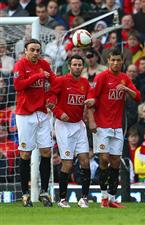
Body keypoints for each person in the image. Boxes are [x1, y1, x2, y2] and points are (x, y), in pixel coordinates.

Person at [85, 48, 141, 208]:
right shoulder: (101, 77)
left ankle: (111, 198)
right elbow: (90, 98)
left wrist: (127, 89)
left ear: (122, 62)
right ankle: (103, 197)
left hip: (117, 126)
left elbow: (137, 97)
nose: (116, 63)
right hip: (101, 125)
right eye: (113, 60)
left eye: (118, 60)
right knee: (103, 159)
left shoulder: (124, 78)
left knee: (116, 161)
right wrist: (91, 121)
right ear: (108, 61)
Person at [13, 39, 55, 207]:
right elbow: (18, 85)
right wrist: (37, 76)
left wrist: (52, 98)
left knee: (46, 152)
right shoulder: (20, 65)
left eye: (38, 50)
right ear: (25, 51)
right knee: (25, 154)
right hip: (25, 114)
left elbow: (54, 83)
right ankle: (25, 194)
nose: (36, 53)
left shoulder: (44, 64)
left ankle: (44, 192)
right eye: (32, 50)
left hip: (43, 114)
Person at [47, 55, 91, 208]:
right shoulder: (61, 81)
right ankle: (62, 199)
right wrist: (59, 113)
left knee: (85, 160)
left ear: (83, 67)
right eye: (75, 64)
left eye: (80, 64)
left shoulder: (85, 83)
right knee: (67, 163)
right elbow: (49, 100)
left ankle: (84, 198)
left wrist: (93, 100)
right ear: (69, 66)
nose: (77, 67)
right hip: (63, 126)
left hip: (79, 125)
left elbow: (91, 97)